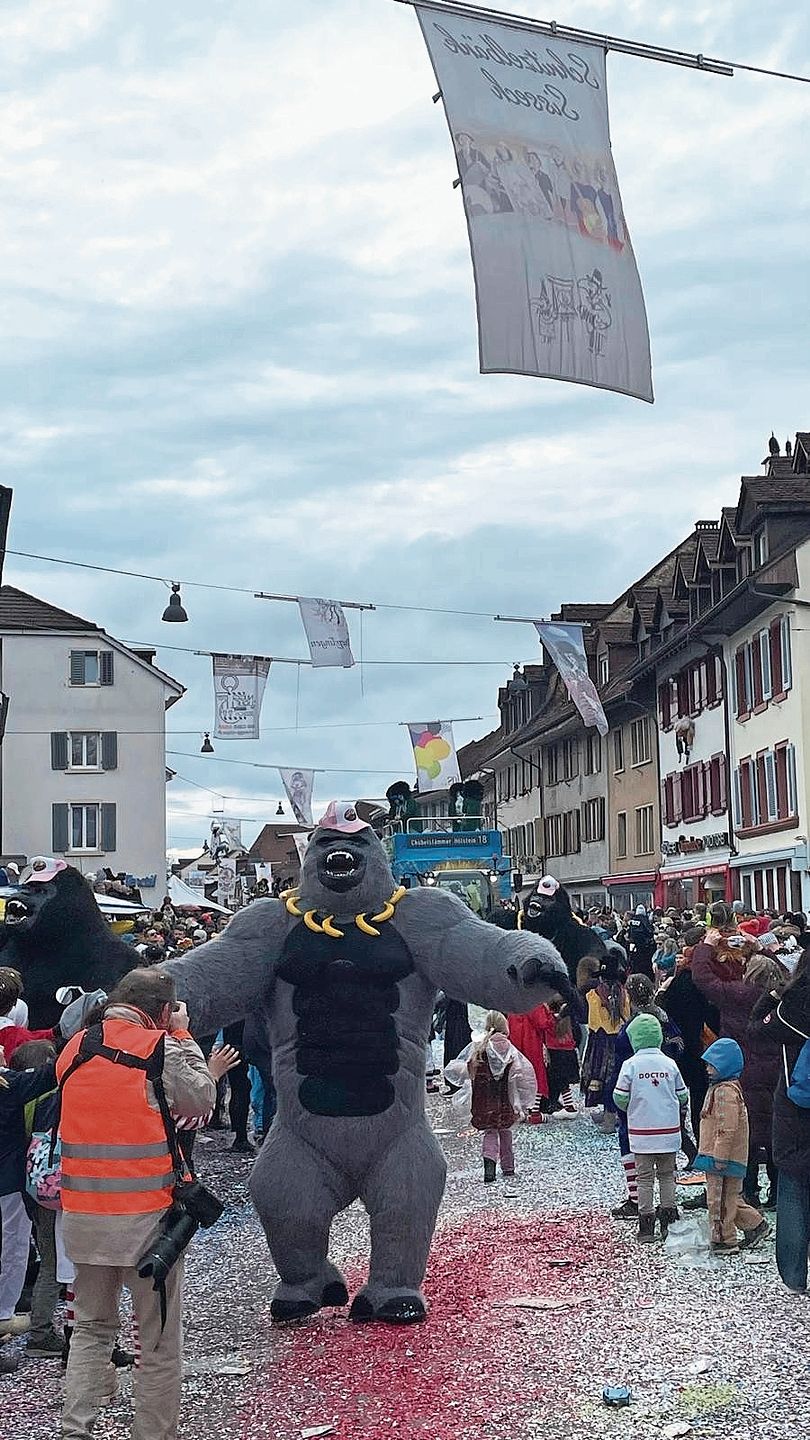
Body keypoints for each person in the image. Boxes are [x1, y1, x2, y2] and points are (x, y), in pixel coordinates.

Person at [57, 967, 217, 1440]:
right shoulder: (162, 1048)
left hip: (83, 1217)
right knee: (158, 1343)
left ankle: (75, 1429)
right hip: (148, 1225)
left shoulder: (75, 1047)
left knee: (91, 1328)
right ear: (163, 1012)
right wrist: (183, 1035)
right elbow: (201, 1098)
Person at [750, 958, 810, 1290]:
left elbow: (755, 1028)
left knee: (793, 1185)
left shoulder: (792, 1006)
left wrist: (774, 993)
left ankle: (795, 1276)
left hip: (794, 1106)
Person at [613, 1014, 689, 1242]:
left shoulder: (630, 1065)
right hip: (668, 1133)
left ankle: (646, 1225)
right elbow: (683, 1095)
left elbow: (619, 1097)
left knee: (644, 1178)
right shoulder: (669, 1063)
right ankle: (668, 1221)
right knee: (667, 1176)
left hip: (642, 1134)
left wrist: (634, 1107)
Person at [0, 1032, 57, 1337]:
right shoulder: (10, 1087)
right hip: (10, 1182)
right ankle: (3, 1313)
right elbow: (50, 1073)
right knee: (15, 1246)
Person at [694, 1039, 770, 1254]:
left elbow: (726, 1127)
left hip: (722, 1157)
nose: (707, 1069)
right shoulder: (725, 1088)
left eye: (712, 1065)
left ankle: (724, 1240)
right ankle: (755, 1224)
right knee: (730, 1197)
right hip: (728, 1155)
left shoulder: (724, 1092)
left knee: (718, 1200)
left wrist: (720, 1155)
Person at [445, 1012, 536, 1183]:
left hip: (484, 1100)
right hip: (505, 1098)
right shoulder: (510, 1049)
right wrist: (520, 1101)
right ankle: (508, 1166)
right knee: (506, 1130)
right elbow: (521, 1075)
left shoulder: (479, 1048)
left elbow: (467, 1071)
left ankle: (489, 1168)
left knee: (490, 1132)